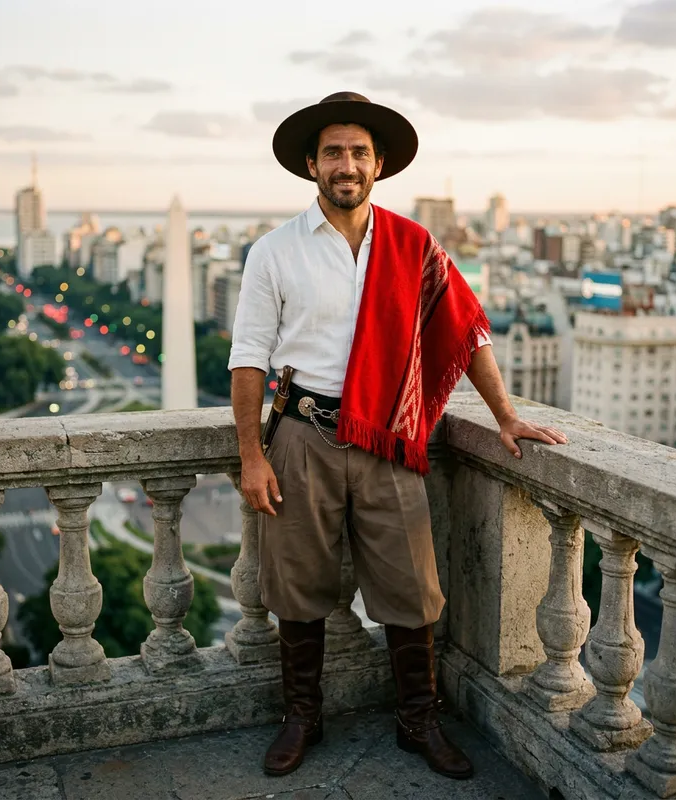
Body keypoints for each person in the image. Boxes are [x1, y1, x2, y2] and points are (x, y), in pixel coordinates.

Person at [228, 92, 567, 781]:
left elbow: (464, 332)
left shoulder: (414, 246)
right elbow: (249, 359)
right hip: (302, 434)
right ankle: (303, 716)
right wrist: (252, 455)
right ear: (310, 164)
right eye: (333, 152)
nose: (346, 164)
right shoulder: (275, 251)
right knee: (296, 587)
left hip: (388, 438)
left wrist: (503, 415)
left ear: (378, 165)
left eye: (358, 152)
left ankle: (419, 719)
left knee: (413, 590)